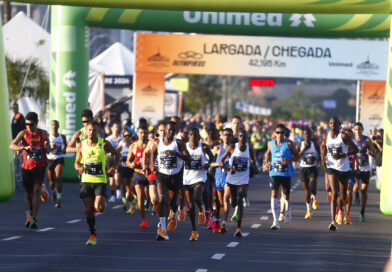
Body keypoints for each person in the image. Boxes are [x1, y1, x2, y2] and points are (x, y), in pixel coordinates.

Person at [74, 121, 119, 245]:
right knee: (89, 210)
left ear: (97, 131)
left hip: (100, 180)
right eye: (89, 130)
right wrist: (78, 168)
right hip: (86, 180)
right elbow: (77, 162)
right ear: (86, 131)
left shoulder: (104, 143)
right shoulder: (82, 145)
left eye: (94, 130)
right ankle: (92, 234)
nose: (91, 132)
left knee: (98, 207)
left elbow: (117, 154)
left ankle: (103, 199)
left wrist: (113, 168)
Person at [150, 121, 191, 241]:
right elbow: (153, 153)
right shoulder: (158, 142)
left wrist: (176, 154)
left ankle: (174, 215)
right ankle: (163, 228)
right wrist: (152, 165)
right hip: (162, 174)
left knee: (172, 202)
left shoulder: (178, 143)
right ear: (165, 131)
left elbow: (188, 158)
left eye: (173, 130)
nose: (171, 132)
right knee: (162, 199)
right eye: (169, 130)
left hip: (175, 175)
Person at [9, 112, 50, 229]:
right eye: (26, 124)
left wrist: (47, 147)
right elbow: (12, 145)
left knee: (36, 190)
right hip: (26, 168)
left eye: (31, 124)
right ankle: (28, 216)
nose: (28, 127)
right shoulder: (23, 133)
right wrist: (23, 147)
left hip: (40, 166)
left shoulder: (44, 133)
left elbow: (48, 145)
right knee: (28, 193)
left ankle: (34, 218)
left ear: (36, 123)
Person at [320, 117, 358, 231]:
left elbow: (355, 149)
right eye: (331, 123)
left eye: (335, 123)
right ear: (329, 124)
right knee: (334, 193)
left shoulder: (343, 136)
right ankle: (333, 221)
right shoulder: (327, 136)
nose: (332, 125)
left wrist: (343, 155)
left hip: (344, 169)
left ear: (339, 125)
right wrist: (323, 157)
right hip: (332, 167)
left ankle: (341, 209)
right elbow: (323, 146)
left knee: (343, 196)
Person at [219, 129, 256, 237]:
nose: (242, 138)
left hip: (243, 180)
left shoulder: (250, 149)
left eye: (244, 137)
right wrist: (229, 168)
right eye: (240, 136)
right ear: (238, 138)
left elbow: (253, 160)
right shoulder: (232, 148)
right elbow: (221, 161)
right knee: (234, 202)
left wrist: (254, 167)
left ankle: (238, 228)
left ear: (247, 138)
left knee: (240, 200)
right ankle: (234, 205)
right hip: (231, 180)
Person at [263, 124, 299, 230]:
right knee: (274, 194)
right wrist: (267, 162)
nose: (279, 135)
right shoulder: (270, 143)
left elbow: (297, 156)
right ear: (274, 133)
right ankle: (275, 221)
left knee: (286, 196)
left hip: (286, 173)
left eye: (282, 133)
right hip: (274, 172)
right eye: (277, 133)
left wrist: (288, 160)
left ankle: (288, 210)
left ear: (285, 133)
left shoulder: (289, 143)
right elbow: (267, 153)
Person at [183, 128, 213, 241]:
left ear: (198, 136)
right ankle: (194, 231)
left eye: (195, 135)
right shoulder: (184, 147)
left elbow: (212, 158)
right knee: (190, 207)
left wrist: (208, 164)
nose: (193, 137)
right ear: (188, 136)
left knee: (197, 197)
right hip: (187, 179)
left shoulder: (204, 147)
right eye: (190, 134)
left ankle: (202, 209)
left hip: (200, 177)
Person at [210, 127, 233, 233]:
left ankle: (224, 223)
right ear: (222, 136)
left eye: (229, 135)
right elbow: (209, 163)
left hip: (230, 177)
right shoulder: (217, 148)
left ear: (232, 137)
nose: (226, 137)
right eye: (225, 135)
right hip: (218, 176)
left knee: (225, 199)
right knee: (220, 202)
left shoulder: (234, 149)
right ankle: (217, 220)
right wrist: (218, 164)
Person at [126, 126, 150, 228]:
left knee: (152, 198)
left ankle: (152, 205)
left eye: (145, 133)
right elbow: (128, 161)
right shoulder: (133, 146)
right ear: (137, 133)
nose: (143, 135)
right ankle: (144, 220)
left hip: (150, 174)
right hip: (138, 174)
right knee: (140, 198)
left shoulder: (152, 144)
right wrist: (131, 164)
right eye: (141, 133)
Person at [352, 122, 376, 221]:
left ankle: (362, 212)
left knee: (365, 190)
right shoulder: (351, 141)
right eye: (356, 129)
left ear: (362, 129)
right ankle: (356, 194)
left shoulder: (367, 140)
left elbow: (374, 153)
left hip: (365, 168)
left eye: (359, 129)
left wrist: (370, 152)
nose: (358, 131)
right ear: (353, 130)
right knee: (356, 186)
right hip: (355, 167)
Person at [297, 127, 320, 219]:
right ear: (303, 135)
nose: (307, 136)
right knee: (307, 191)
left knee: (312, 186)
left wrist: (316, 159)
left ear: (311, 135)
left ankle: (314, 198)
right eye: (305, 134)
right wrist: (304, 150)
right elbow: (295, 157)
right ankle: (308, 210)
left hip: (312, 168)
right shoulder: (300, 145)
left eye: (309, 134)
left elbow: (321, 156)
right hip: (303, 169)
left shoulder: (315, 145)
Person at [47, 120, 67, 208]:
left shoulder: (62, 137)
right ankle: (53, 192)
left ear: (58, 126)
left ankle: (59, 199)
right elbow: (45, 148)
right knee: (51, 182)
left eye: (56, 125)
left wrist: (63, 148)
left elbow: (65, 150)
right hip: (50, 160)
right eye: (53, 125)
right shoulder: (48, 136)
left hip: (59, 159)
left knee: (58, 177)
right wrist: (51, 147)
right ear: (51, 126)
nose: (54, 126)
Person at [116, 128, 135, 211]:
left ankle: (136, 199)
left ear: (131, 136)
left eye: (128, 135)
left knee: (132, 187)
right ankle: (125, 202)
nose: (127, 137)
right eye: (125, 136)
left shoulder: (134, 145)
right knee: (124, 185)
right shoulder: (121, 144)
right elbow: (115, 153)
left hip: (132, 169)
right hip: (123, 168)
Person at [106, 122, 122, 203]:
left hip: (117, 159)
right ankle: (112, 195)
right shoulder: (108, 139)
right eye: (114, 127)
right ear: (111, 128)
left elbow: (122, 149)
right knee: (111, 179)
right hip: (109, 159)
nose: (116, 128)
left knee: (117, 177)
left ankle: (118, 189)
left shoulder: (120, 139)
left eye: (117, 127)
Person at [10, 102, 25, 188]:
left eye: (15, 107)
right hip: (14, 141)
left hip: (19, 142)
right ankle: (17, 178)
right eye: (13, 107)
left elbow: (22, 130)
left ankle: (20, 179)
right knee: (15, 160)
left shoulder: (20, 117)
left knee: (18, 160)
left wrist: (20, 141)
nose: (13, 109)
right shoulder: (14, 117)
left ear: (18, 108)